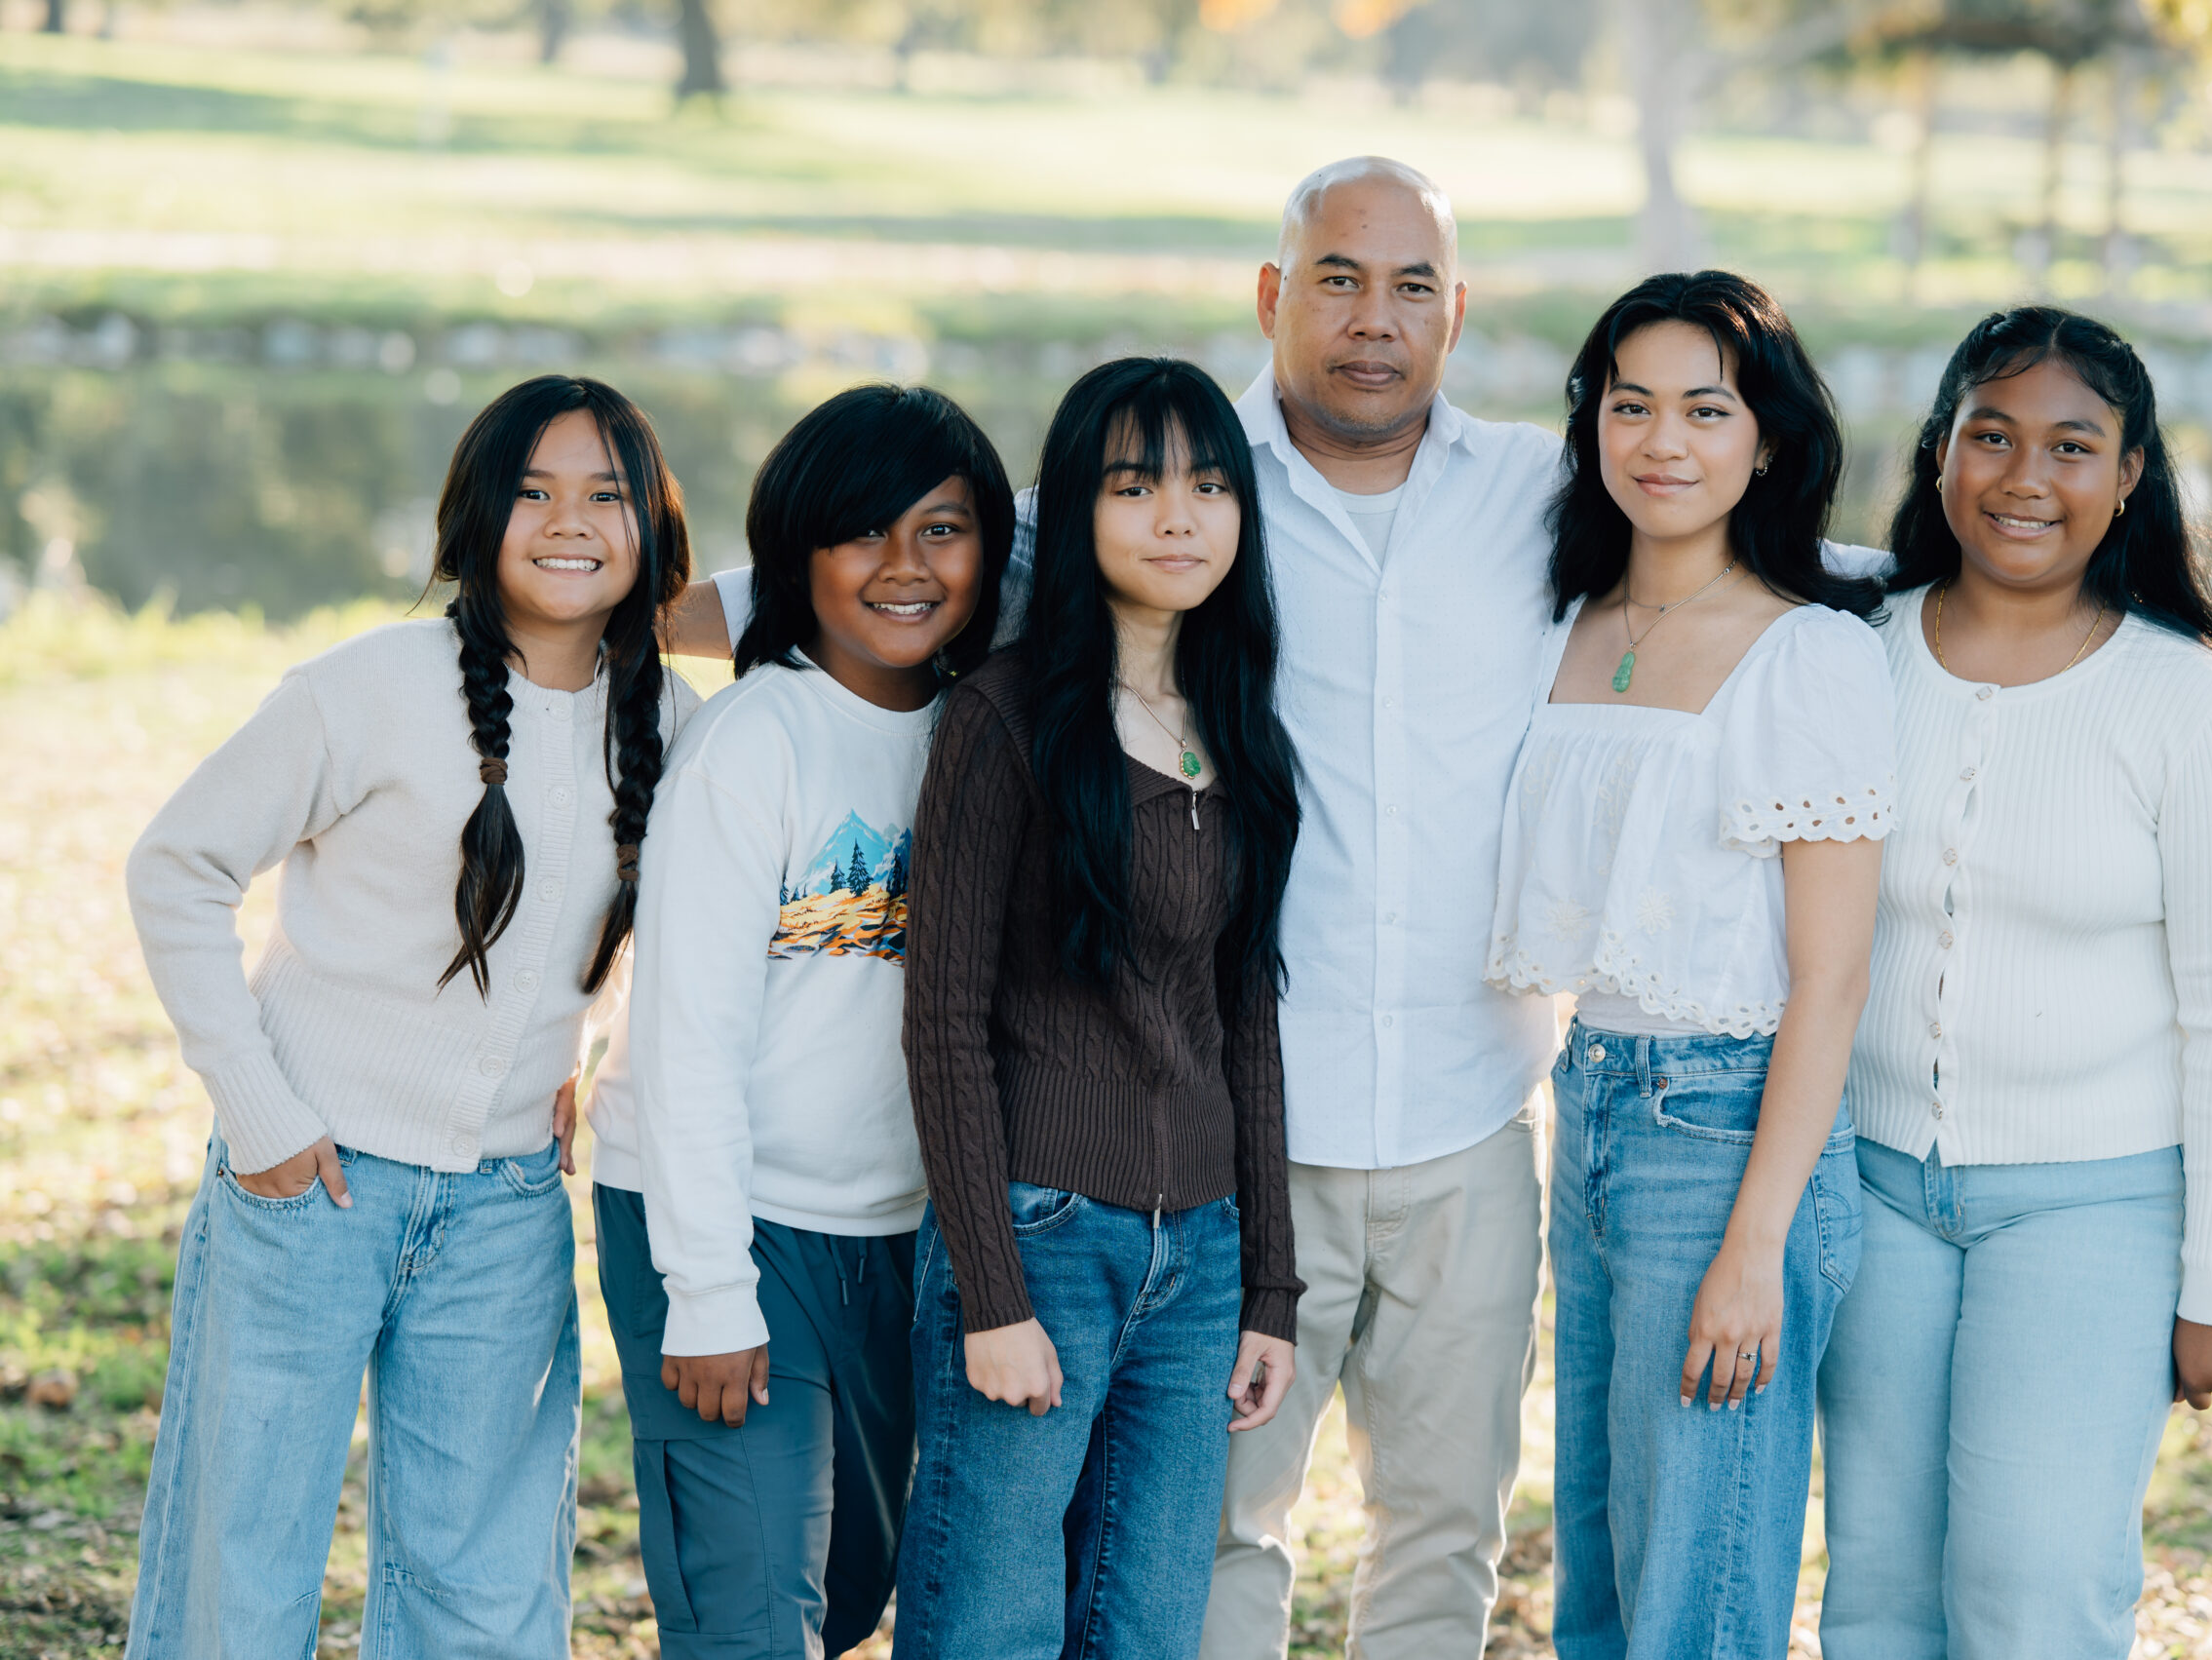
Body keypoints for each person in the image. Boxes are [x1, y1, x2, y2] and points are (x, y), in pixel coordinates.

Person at [670, 157, 1574, 1659]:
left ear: (1457, 310)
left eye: (1412, 285)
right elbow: (889, 561)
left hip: (1430, 1122)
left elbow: (1730, 559)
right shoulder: (1154, 488)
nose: (1374, 317)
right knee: (1156, 1558)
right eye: (1339, 278)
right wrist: (594, 606)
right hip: (1101, 1197)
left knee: (1425, 1532)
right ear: (1275, 296)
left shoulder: (1532, 496)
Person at [122, 374, 696, 1658]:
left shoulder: (671, 723)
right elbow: (176, 866)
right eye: (533, 491)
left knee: (483, 1591)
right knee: (243, 1563)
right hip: (303, 1186)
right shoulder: (368, 685)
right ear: (475, 515)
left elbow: (675, 932)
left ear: (651, 527)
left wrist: (591, 1050)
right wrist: (258, 1111)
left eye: (608, 494)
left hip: (502, 1210)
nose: (569, 521)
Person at [1815, 306, 2212, 1658]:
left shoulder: (2187, 707)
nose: (2027, 477)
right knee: (1879, 1595)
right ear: (1940, 454)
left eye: (2073, 446)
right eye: (1993, 436)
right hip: (1875, 1193)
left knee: (2034, 1588)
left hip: (2095, 1205)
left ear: (2130, 472)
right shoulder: (1852, 650)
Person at [1484, 271, 1886, 1657]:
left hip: (1726, 1135)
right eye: (1631, 403)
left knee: (1697, 1596)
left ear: (1764, 439)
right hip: (1589, 1108)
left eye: (1706, 410)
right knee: (1604, 1571)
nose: (1664, 440)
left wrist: (1758, 1244)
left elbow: (1832, 981)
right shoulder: (1566, 623)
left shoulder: (1810, 656)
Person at [587, 385, 1013, 1659]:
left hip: (894, 1231)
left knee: (853, 1582)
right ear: (794, 556)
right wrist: (708, 1293)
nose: (903, 567)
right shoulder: (754, 743)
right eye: (860, 534)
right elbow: (688, 1035)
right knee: (754, 1609)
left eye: (940, 530)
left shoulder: (988, 730)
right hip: (728, 1218)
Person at [891, 357, 1302, 1657]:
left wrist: (1269, 1288)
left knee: (1146, 1627)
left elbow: (1248, 1015)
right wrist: (990, 1295)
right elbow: (942, 1019)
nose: (1179, 517)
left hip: (1199, 1257)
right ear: (1075, 511)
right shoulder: (1003, 722)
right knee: (990, 1623)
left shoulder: (1238, 729)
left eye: (1209, 485)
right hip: (1041, 1233)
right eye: (1136, 486)